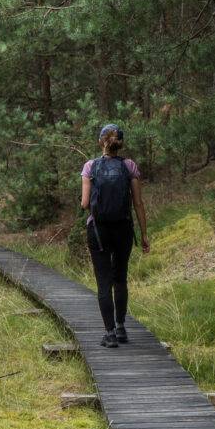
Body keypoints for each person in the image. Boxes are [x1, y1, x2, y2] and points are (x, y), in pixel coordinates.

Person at [80, 123, 149, 348]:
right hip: (124, 229)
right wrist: (144, 235)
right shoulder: (129, 166)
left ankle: (109, 334)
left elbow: (84, 203)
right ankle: (121, 328)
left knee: (103, 282)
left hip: (98, 231)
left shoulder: (90, 166)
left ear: (101, 142)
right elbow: (138, 204)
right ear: (120, 143)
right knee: (120, 278)